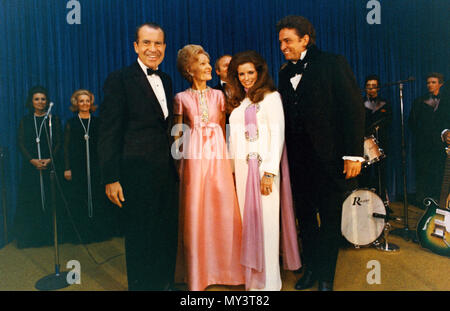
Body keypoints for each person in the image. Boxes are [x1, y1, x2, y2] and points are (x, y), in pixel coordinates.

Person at [276, 15, 365, 291]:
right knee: (305, 219)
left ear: (305, 39)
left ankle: (327, 278)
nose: (282, 46)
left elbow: (353, 108)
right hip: (298, 162)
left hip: (329, 161)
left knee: (328, 220)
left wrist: (353, 154)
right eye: (280, 42)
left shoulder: (333, 63)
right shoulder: (283, 72)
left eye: (287, 41)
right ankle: (312, 269)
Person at [97, 22, 179, 291]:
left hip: (165, 172)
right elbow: (108, 132)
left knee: (165, 233)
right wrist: (111, 177)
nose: (152, 49)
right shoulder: (119, 79)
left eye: (158, 43)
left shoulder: (166, 79)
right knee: (140, 237)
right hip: (135, 174)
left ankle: (165, 284)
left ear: (165, 47)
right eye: (146, 42)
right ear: (136, 46)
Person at [227, 50, 301, 291]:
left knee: (267, 227)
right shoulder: (240, 103)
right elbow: (233, 140)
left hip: (263, 173)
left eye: (250, 72)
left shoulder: (271, 98)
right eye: (241, 74)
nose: (246, 78)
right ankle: (252, 282)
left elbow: (277, 135)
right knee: (248, 226)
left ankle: (268, 284)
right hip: (242, 172)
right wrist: (230, 169)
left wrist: (270, 172)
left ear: (259, 72)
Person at [173, 45, 244, 291]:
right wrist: (180, 167)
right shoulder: (181, 99)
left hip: (218, 159)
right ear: (189, 69)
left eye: (207, 62)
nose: (207, 67)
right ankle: (199, 274)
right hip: (194, 162)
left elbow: (225, 128)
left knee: (224, 211)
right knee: (197, 214)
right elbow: (177, 135)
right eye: (202, 63)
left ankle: (229, 270)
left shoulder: (219, 96)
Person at [63, 89, 117, 244]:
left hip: (95, 165)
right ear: (76, 103)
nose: (85, 104)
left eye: (87, 101)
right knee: (79, 198)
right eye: (81, 101)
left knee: (97, 197)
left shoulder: (98, 122)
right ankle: (81, 234)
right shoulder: (71, 123)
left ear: (91, 103)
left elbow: (104, 145)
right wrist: (67, 168)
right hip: (78, 166)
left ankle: (98, 233)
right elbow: (66, 147)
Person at [14, 86, 63, 248]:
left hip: (49, 165)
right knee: (32, 200)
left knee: (51, 199)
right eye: (37, 99)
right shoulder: (25, 120)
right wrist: (32, 160)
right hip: (32, 167)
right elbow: (21, 143)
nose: (40, 102)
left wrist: (49, 159)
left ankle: (50, 237)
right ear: (31, 102)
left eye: (43, 99)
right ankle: (32, 238)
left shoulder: (52, 120)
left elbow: (58, 141)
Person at [409, 72, 450, 208]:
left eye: (433, 82)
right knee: (423, 173)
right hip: (423, 144)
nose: (430, 85)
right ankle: (423, 202)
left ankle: (439, 202)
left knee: (439, 172)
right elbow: (412, 123)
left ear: (441, 84)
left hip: (440, 144)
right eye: (428, 82)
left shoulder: (447, 100)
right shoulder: (419, 101)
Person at [359, 75, 392, 201]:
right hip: (364, 143)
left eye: (374, 87)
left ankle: (383, 202)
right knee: (364, 175)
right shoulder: (359, 103)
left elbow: (388, 121)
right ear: (365, 88)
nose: (371, 89)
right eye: (368, 87)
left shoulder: (385, 104)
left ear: (378, 88)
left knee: (380, 174)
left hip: (381, 143)